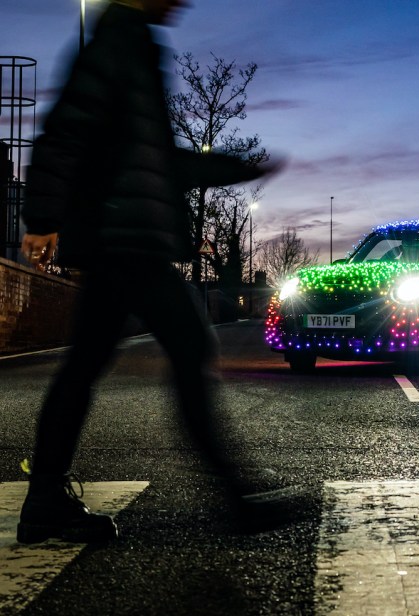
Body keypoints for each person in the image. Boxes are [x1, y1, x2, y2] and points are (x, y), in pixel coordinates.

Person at [18, 0, 285, 543]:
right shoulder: (118, 46)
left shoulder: (133, 48)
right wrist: (43, 218)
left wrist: (236, 167)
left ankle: (45, 499)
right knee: (189, 351)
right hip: (125, 242)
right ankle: (238, 498)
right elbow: (64, 133)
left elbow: (161, 164)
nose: (180, 2)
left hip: (124, 240)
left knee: (86, 367)